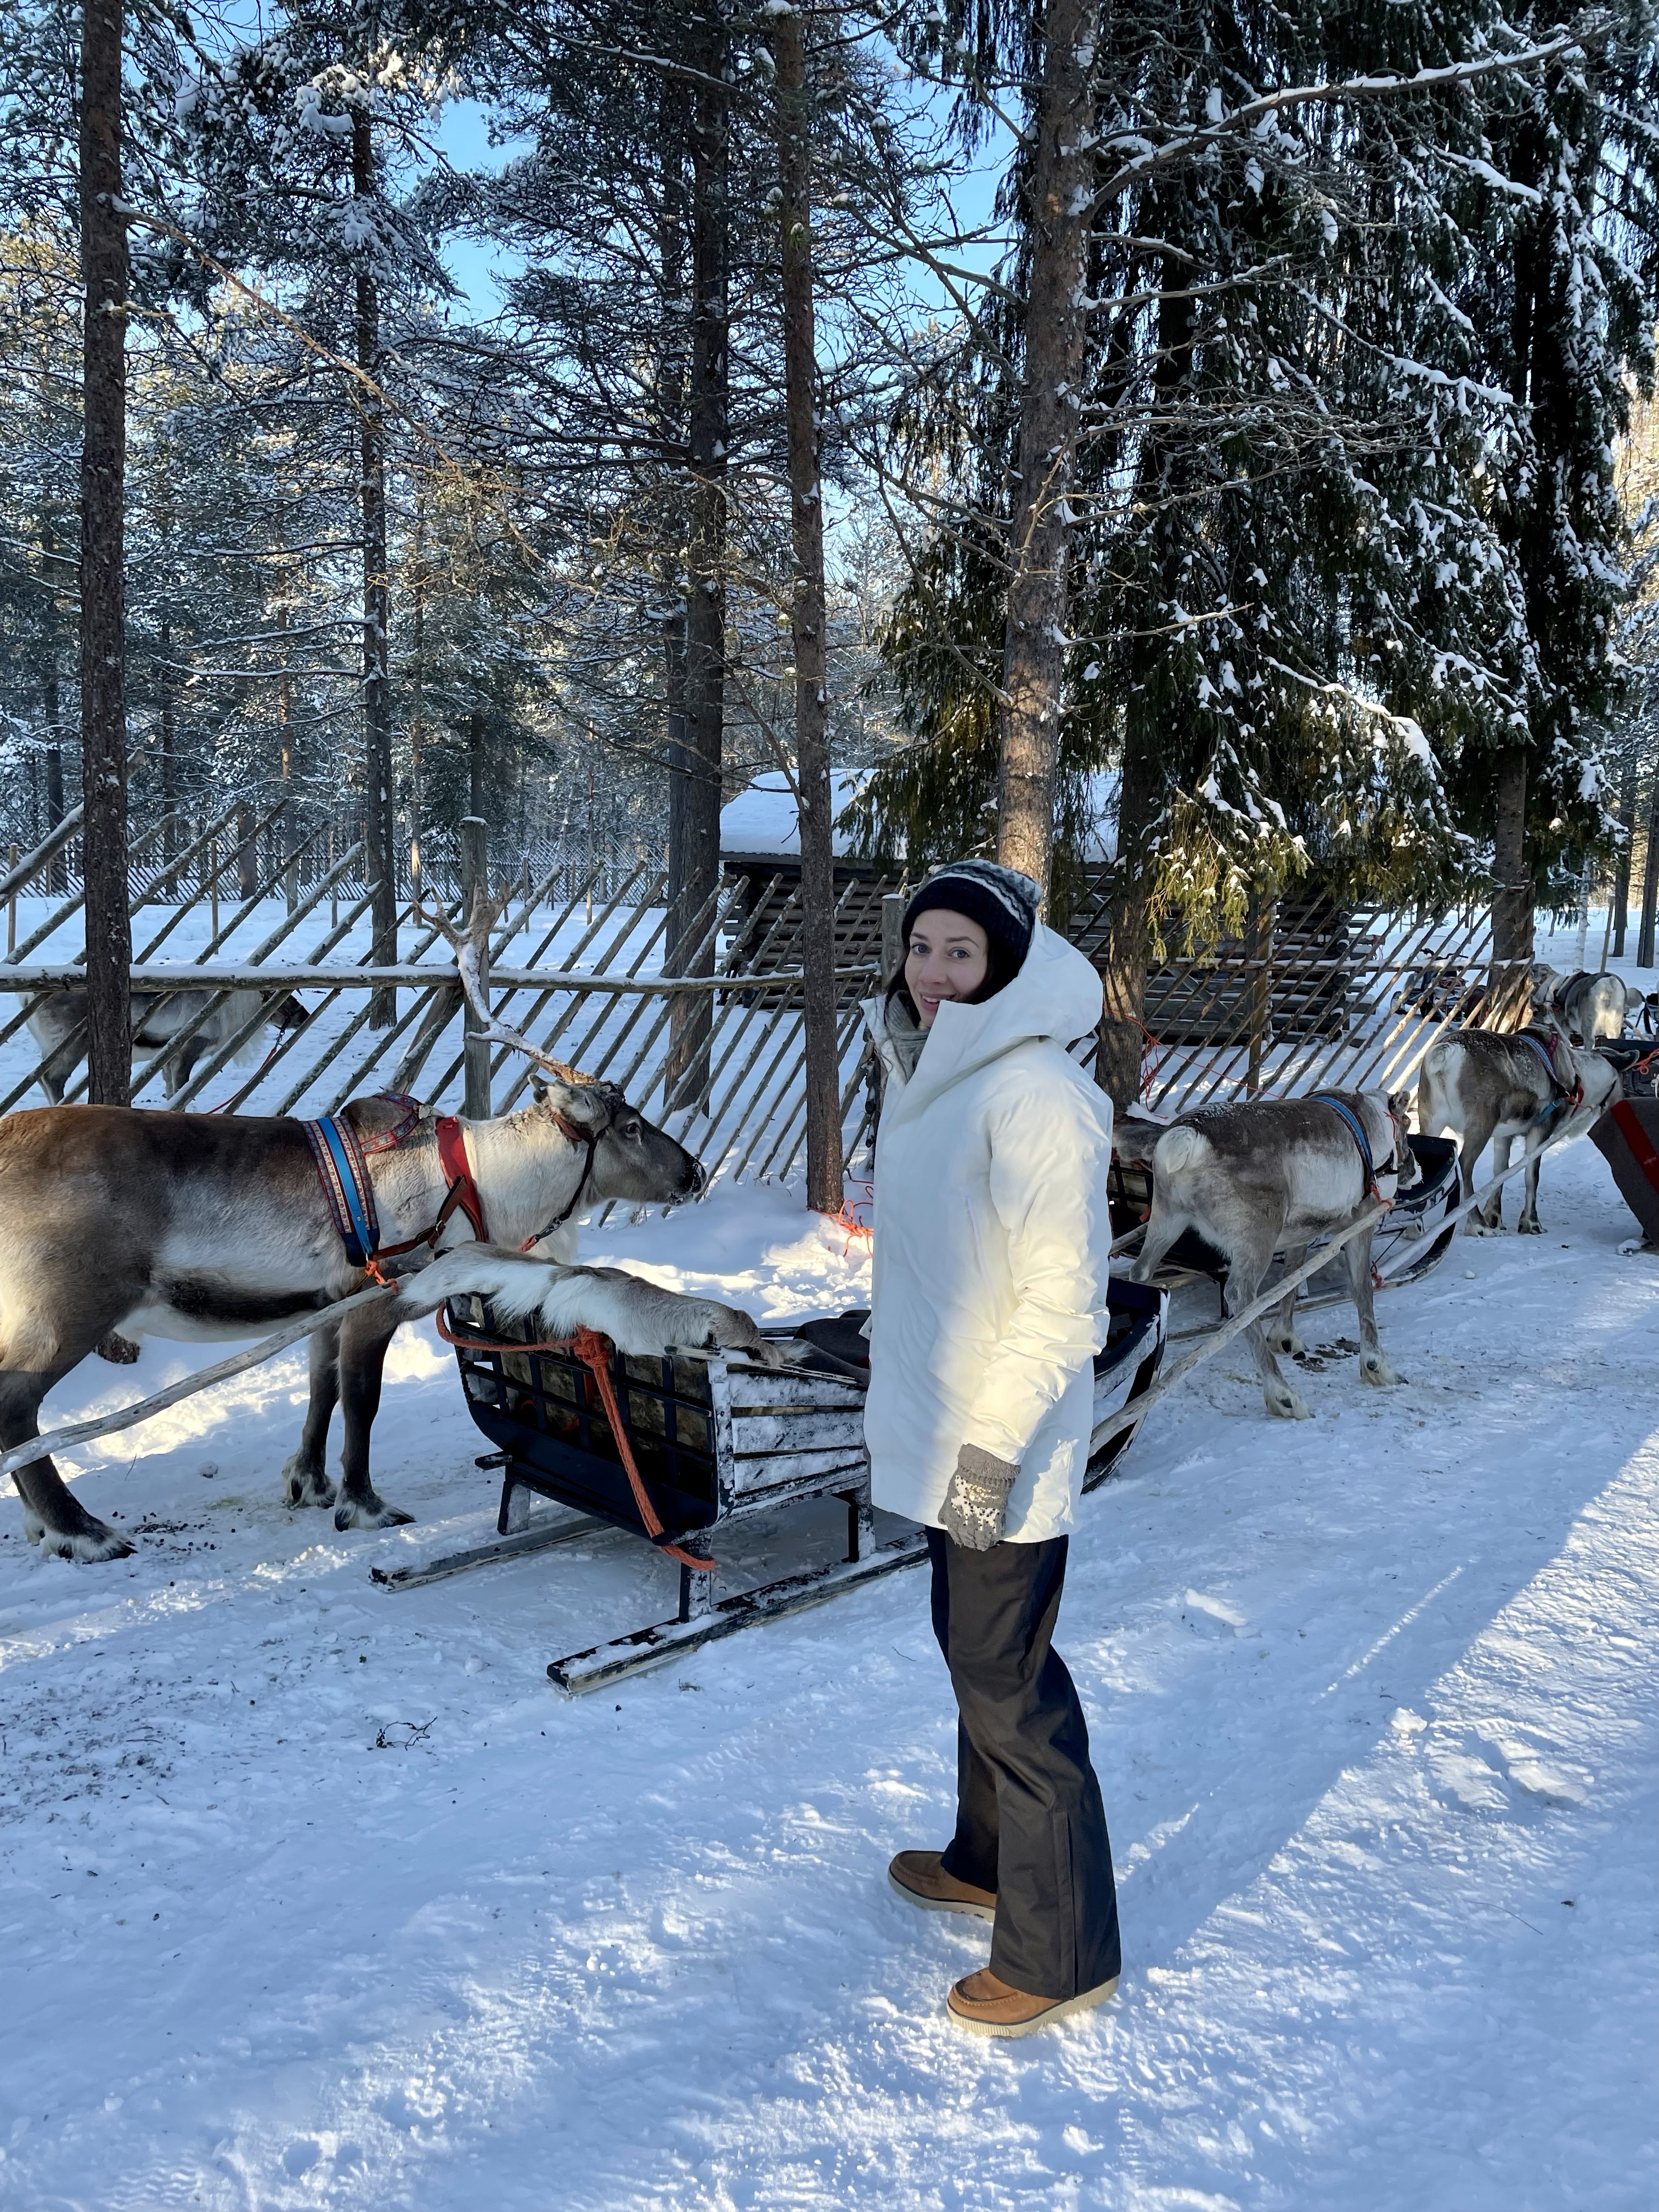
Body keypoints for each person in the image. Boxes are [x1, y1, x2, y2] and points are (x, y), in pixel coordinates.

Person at [863, 858, 1121, 2038]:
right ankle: (983, 1858)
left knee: (1013, 1687)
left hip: (995, 1448)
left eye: (960, 953)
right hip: (943, 1427)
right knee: (972, 1656)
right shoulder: (932, 1070)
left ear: (1005, 964)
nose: (933, 973)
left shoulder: (1035, 1097)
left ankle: (1061, 1950)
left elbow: (1064, 1309)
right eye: (923, 948)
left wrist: (991, 1455)